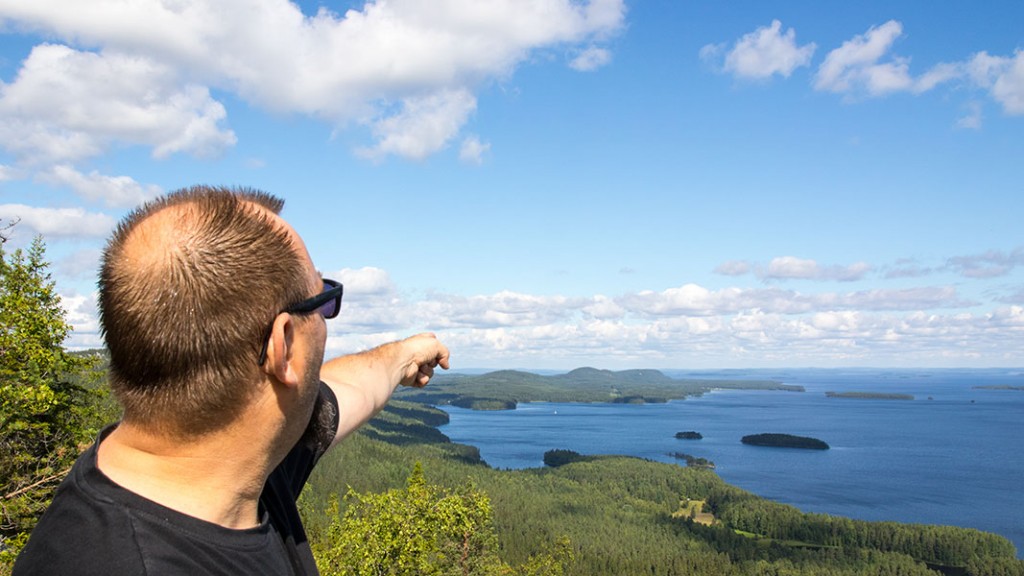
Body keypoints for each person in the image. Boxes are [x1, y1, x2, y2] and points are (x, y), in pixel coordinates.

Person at [13, 185, 450, 575]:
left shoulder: (227, 458)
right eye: (324, 301)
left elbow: (346, 390)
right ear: (283, 345)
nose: (326, 321)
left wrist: (403, 354)